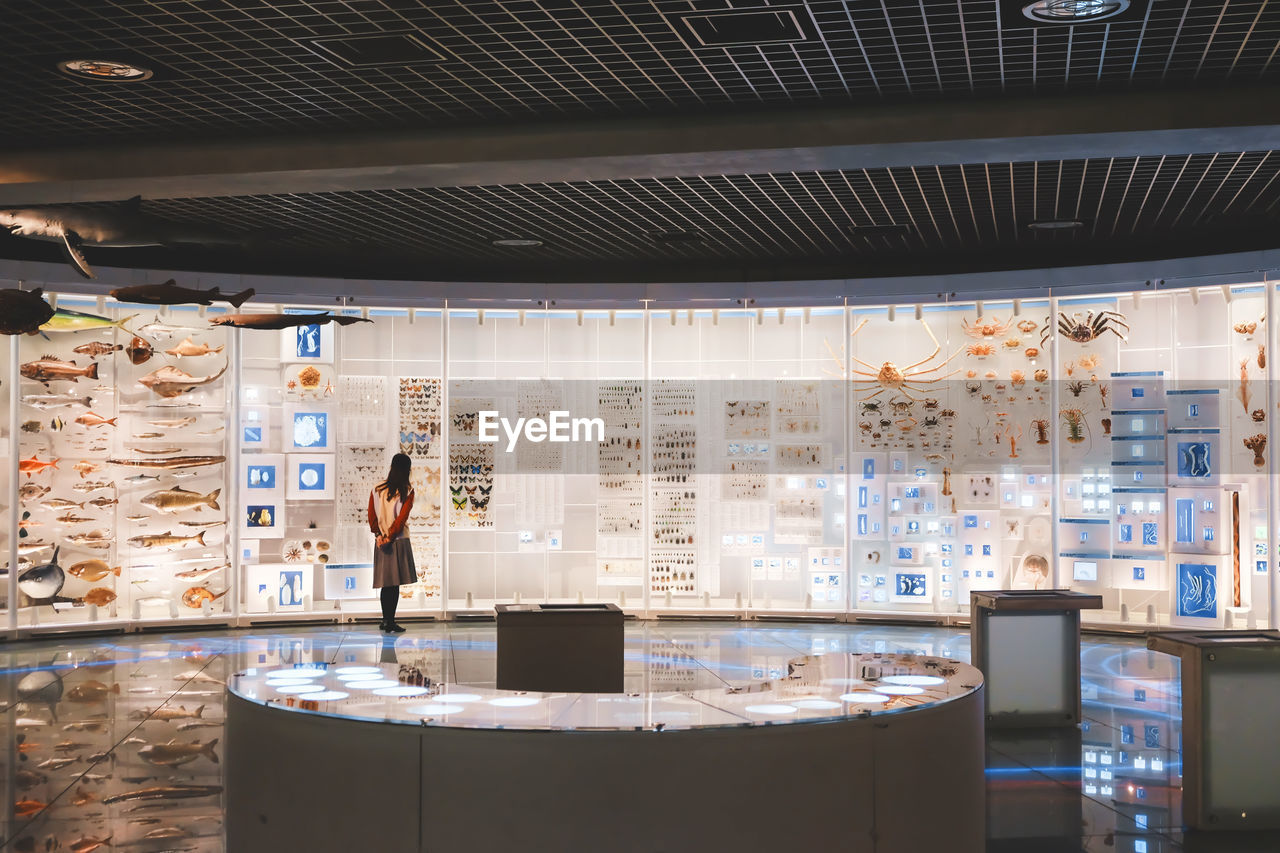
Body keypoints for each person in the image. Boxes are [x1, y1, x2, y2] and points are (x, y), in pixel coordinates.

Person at [368, 453, 416, 633]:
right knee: (393, 584)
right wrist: (390, 536)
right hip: (398, 540)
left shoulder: (377, 488)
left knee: (386, 582)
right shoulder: (407, 490)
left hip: (381, 541)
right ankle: (390, 621)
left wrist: (379, 535)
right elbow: (402, 518)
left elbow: (371, 515)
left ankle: (386, 620)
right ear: (407, 470)